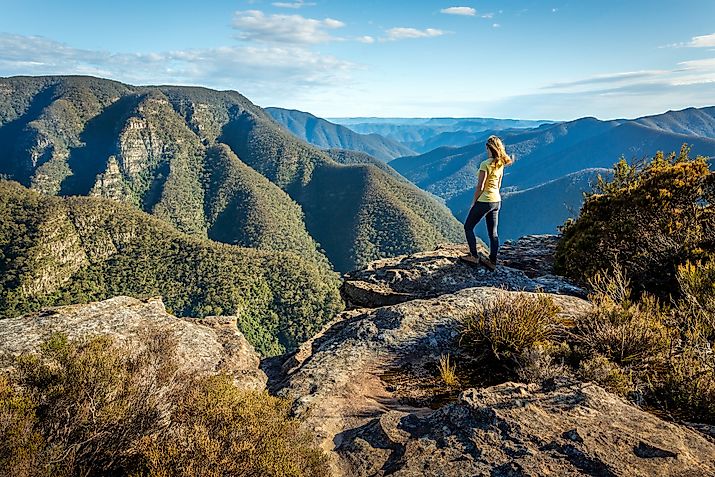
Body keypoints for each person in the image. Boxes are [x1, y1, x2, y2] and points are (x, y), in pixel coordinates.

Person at [462, 135, 512, 270]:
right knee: (493, 233)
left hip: (485, 200)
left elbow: (481, 186)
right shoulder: (500, 163)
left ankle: (474, 256)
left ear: (489, 148)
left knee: (468, 227)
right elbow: (499, 183)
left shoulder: (485, 164)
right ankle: (492, 261)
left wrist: (474, 202)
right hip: (496, 201)